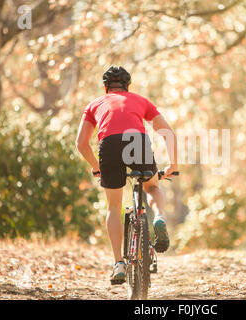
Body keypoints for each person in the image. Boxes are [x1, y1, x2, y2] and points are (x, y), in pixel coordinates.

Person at [75, 66, 178, 284]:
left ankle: (118, 263)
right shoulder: (140, 100)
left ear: (105, 88)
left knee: (114, 206)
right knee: (152, 187)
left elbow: (81, 143)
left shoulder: (95, 104)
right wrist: (173, 164)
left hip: (109, 145)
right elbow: (167, 132)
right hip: (136, 140)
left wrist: (96, 166)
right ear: (128, 86)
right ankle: (159, 217)